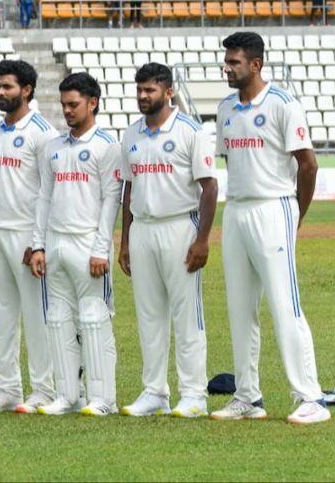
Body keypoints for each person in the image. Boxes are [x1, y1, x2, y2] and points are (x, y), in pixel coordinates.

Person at [211, 32, 328, 425]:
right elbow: (230, 163)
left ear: (256, 64)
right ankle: (248, 396)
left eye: (234, 62)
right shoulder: (225, 108)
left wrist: (296, 213)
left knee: (284, 305)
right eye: (226, 61)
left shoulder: (282, 104)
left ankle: (311, 397)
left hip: (274, 208)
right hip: (237, 211)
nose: (227, 68)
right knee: (240, 308)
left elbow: (308, 165)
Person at [118, 63, 218, 419]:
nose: (143, 97)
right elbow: (128, 189)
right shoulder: (130, 134)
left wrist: (202, 239)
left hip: (180, 226)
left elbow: (209, 186)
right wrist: (125, 241)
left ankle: (194, 395)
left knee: (186, 314)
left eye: (150, 90)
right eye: (140, 90)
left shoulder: (191, 130)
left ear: (168, 91)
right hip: (143, 228)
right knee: (149, 315)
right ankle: (154, 392)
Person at [0, 60, 59, 416]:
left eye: (7, 86)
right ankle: (8, 388)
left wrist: (38, 243)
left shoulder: (43, 132)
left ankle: (45, 389)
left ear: (26, 90)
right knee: (3, 315)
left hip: (27, 237)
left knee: (38, 316)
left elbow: (48, 194)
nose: (0, 92)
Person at [29, 72, 121, 417]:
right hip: (56, 244)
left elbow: (112, 200)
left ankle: (103, 399)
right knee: (58, 319)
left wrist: (101, 249)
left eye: (74, 104)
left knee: (94, 320)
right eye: (64, 105)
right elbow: (44, 198)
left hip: (88, 246)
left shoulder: (106, 146)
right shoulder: (53, 147)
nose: (67, 111)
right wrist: (38, 245)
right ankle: (69, 395)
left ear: (92, 103)